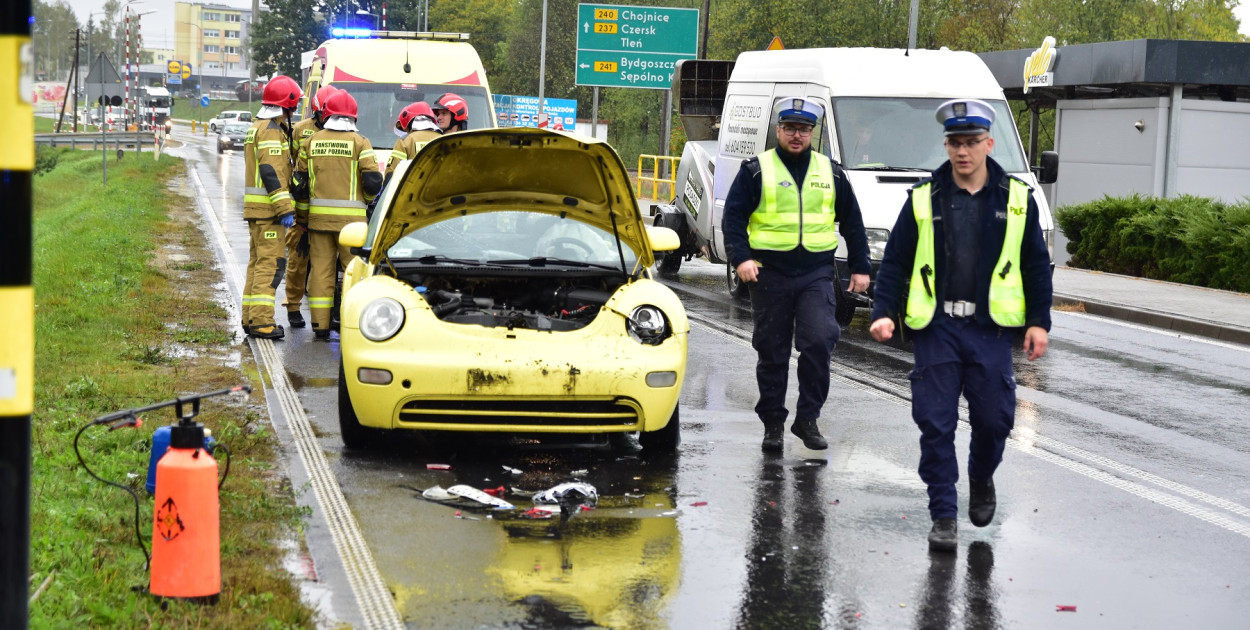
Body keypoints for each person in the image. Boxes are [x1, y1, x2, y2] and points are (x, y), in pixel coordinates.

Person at [867, 99, 1052, 553]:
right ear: (946, 145)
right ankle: (944, 515)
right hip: (938, 328)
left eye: (971, 142)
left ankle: (981, 475)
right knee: (936, 424)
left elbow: (1035, 265)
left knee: (994, 422)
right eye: (954, 142)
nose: (962, 151)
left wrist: (1038, 322)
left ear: (989, 143)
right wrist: (884, 312)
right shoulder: (923, 199)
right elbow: (895, 263)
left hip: (989, 331)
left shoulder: (1015, 200)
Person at [721, 97, 872, 453]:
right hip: (769, 275)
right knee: (772, 351)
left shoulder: (831, 173)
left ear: (812, 133)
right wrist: (741, 259)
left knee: (819, 340)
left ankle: (808, 419)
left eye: (804, 130)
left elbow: (853, 221)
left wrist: (862, 267)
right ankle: (773, 423)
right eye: (790, 128)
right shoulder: (756, 170)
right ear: (778, 130)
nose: (796, 135)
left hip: (816, 274)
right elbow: (733, 220)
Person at [290, 90, 384, 339]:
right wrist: (364, 202)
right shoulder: (360, 143)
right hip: (352, 226)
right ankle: (355, 324)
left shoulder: (311, 142)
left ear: (326, 114)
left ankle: (320, 327)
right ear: (353, 116)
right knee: (354, 273)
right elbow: (374, 181)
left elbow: (298, 187)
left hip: (318, 222)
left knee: (320, 272)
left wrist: (302, 220)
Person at [241, 75, 302, 339]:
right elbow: (271, 171)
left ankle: (250, 317)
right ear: (286, 105)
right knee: (272, 265)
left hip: (258, 212)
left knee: (256, 265)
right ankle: (262, 322)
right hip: (269, 212)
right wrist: (285, 208)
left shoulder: (257, 126)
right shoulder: (271, 130)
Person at [283, 84, 339, 330]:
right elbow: (292, 165)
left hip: (328, 205)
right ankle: (293, 306)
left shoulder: (342, 133)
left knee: (327, 265)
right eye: (323, 115)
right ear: (316, 112)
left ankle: (330, 312)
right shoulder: (299, 130)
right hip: (301, 204)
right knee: (298, 259)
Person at [385, 101, 442, 179]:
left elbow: (391, 173)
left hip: (412, 189)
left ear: (410, 123)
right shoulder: (443, 138)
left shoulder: (405, 141)